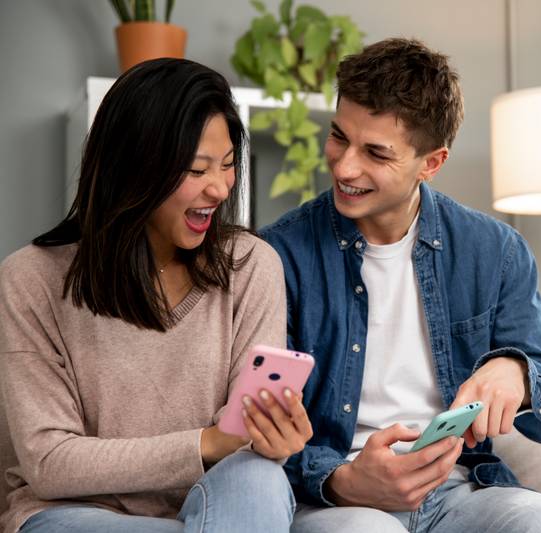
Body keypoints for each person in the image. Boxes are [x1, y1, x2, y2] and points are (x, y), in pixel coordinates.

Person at [260, 38, 541, 532]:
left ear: (431, 162)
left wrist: (517, 374)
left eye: (376, 153)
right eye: (339, 136)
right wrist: (340, 480)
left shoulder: (495, 251)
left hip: (455, 491)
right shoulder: (276, 255)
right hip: (335, 501)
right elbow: (253, 430)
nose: (343, 166)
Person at [0, 58, 312, 533]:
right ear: (133, 170)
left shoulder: (250, 265)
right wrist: (208, 442)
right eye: (195, 169)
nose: (219, 187)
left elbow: (241, 442)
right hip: (77, 515)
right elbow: (50, 461)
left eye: (228, 165)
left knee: (258, 479)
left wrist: (272, 438)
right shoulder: (30, 280)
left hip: (220, 509)